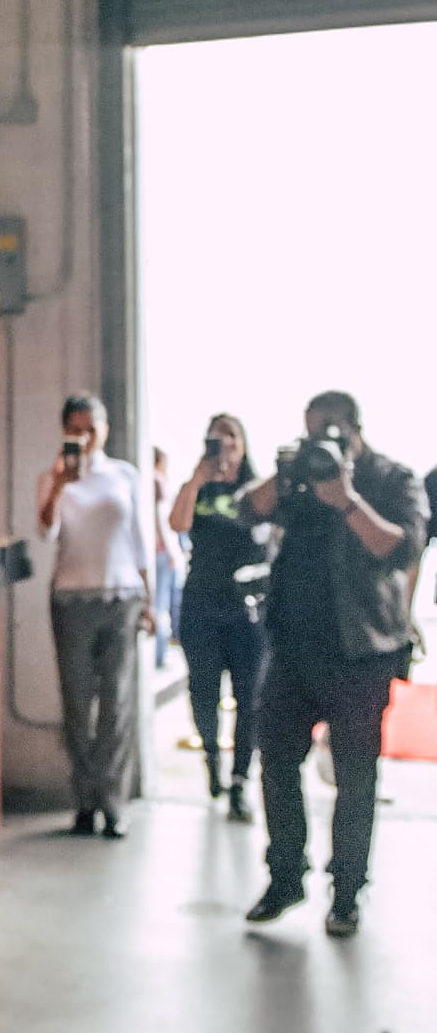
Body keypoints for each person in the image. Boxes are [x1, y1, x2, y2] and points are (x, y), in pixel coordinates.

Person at [237, 390, 428, 937]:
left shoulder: (392, 478)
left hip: (361, 653)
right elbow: (246, 511)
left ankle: (346, 891)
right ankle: (285, 874)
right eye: (311, 430)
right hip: (292, 644)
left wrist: (345, 497)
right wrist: (285, 471)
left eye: (329, 430)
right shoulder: (299, 479)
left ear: (354, 429)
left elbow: (401, 550)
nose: (321, 440)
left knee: (355, 775)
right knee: (274, 760)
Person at [37, 393, 155, 839]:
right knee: (76, 705)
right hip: (71, 598)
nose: (85, 436)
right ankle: (84, 800)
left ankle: (112, 802)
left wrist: (150, 600)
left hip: (121, 596)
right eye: (77, 428)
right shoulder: (53, 476)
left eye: (92, 427)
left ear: (105, 428)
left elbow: (140, 539)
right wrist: (62, 484)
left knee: (117, 703)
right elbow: (46, 531)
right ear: (65, 429)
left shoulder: (124, 474)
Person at [168, 413, 267, 823]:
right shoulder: (197, 488)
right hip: (201, 603)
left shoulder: (258, 491)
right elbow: (178, 523)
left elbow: (270, 531)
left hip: (246, 608)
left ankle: (241, 780)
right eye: (217, 438)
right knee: (203, 690)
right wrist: (196, 479)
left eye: (232, 437)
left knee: (249, 698)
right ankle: (212, 757)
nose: (224, 445)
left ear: (244, 445)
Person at [152, 446, 186, 671]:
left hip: (155, 551)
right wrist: (175, 552)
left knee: (159, 605)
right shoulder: (156, 481)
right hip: (162, 552)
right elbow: (162, 517)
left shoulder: (147, 479)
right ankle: (159, 654)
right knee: (161, 606)